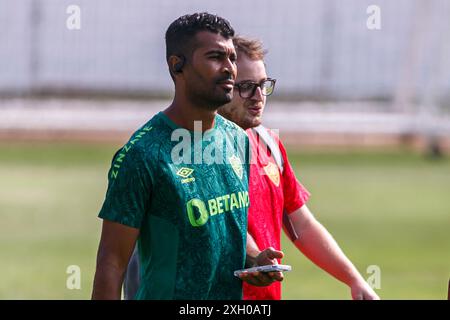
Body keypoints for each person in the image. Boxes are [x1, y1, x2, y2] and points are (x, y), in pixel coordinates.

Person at [92, 13, 281, 300]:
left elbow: (226, 225)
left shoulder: (238, 140)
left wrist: (253, 259)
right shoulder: (142, 154)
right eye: (215, 57)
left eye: (231, 58)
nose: (229, 68)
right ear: (176, 64)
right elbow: (112, 263)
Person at [218, 36, 380, 300]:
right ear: (223, 86)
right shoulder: (197, 151)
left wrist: (354, 280)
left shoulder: (268, 142)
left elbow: (301, 225)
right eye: (246, 86)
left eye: (263, 85)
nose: (258, 96)